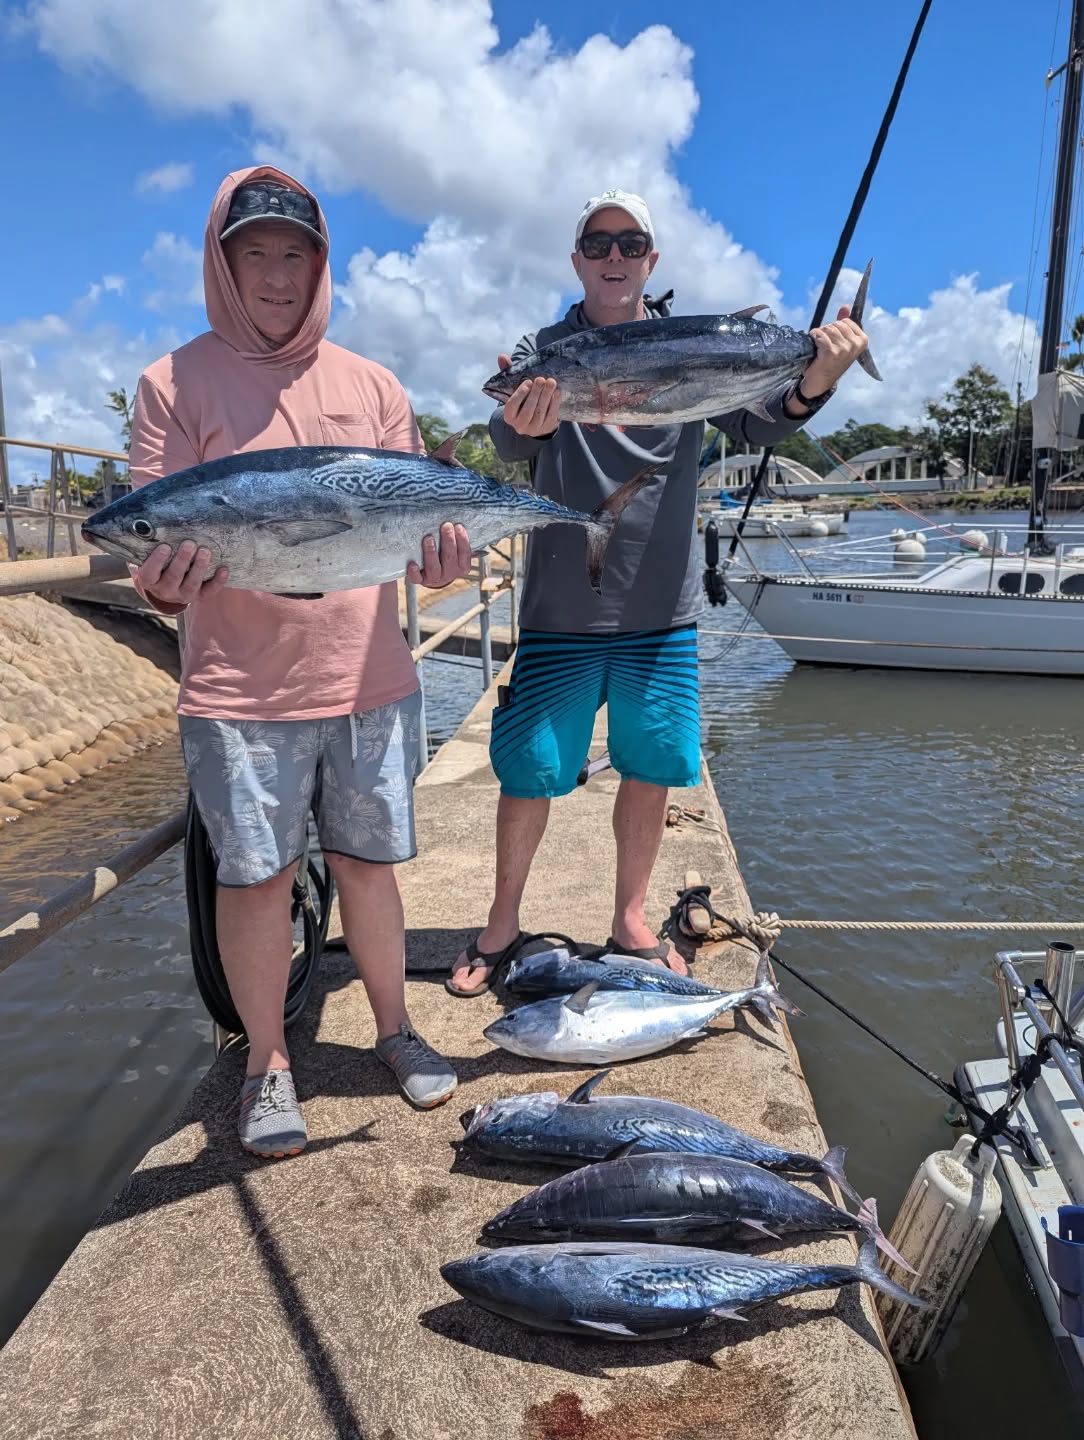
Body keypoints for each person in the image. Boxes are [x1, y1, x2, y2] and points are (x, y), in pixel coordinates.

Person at [128, 165, 473, 1156]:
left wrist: (445, 563)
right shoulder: (170, 385)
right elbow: (152, 561)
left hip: (369, 678)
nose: (276, 276)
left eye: (294, 254)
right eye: (255, 256)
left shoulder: (375, 386)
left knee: (371, 870)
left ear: (320, 265)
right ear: (221, 263)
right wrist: (167, 577)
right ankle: (268, 1063)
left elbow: (420, 548)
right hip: (237, 693)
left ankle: (395, 1029)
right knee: (255, 882)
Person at [447, 188, 869, 995]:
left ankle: (631, 918)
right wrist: (526, 424)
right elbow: (504, 437)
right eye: (598, 244)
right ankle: (501, 922)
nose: (613, 257)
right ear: (577, 259)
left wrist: (819, 377)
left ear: (650, 259)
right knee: (529, 770)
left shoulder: (695, 340)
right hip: (561, 610)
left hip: (660, 612)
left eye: (629, 243)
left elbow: (761, 422)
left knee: (651, 767)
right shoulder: (546, 348)